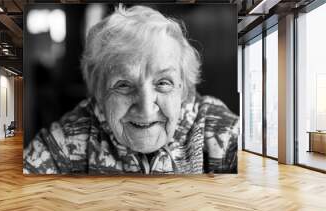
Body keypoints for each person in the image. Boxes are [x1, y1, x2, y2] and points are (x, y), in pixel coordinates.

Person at [23, 5, 239, 175]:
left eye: (163, 83)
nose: (146, 109)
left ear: (183, 89)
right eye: (124, 85)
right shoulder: (67, 140)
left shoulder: (221, 131)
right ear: (99, 92)